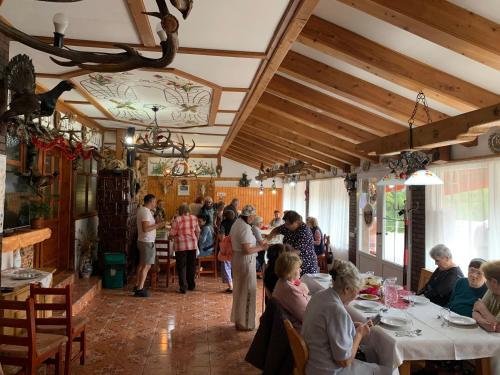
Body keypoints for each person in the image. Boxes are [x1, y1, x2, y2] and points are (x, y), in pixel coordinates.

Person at [302, 260, 391, 375]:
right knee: (389, 370)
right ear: (347, 289)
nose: (355, 296)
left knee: (371, 353)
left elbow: (328, 330)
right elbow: (344, 361)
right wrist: (359, 335)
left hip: (315, 363)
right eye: (356, 291)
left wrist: (350, 326)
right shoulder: (336, 310)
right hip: (328, 370)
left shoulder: (319, 295)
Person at [230, 204, 268, 331]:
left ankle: (239, 320)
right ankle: (245, 323)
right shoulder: (245, 228)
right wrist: (262, 247)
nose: (253, 218)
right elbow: (247, 249)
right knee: (247, 290)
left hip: (238, 259)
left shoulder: (237, 223)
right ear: (249, 216)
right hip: (245, 260)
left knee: (240, 290)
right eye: (253, 216)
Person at [268, 210, 318, 275]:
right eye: (285, 224)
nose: (286, 226)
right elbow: (276, 230)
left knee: (302, 283)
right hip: (292, 262)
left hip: (305, 263)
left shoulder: (305, 232)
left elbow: (296, 251)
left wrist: (280, 255)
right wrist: (267, 239)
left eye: (288, 224)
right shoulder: (288, 226)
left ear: (297, 222)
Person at [134, 194, 165, 297]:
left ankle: (137, 285)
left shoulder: (143, 210)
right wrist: (159, 225)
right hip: (146, 241)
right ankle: (140, 288)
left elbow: (147, 226)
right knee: (147, 265)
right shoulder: (145, 212)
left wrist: (156, 223)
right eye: (154, 202)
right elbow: (146, 228)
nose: (155, 204)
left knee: (142, 264)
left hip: (143, 240)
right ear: (151, 201)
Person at [272, 252, 310, 330]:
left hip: (292, 325)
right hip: (298, 330)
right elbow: (307, 317)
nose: (300, 270)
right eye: (297, 268)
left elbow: (298, 284)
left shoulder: (282, 280)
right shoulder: (290, 290)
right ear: (289, 272)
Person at [169, 203, 200, 294]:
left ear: (180, 211)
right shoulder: (194, 218)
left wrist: (170, 237)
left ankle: (183, 287)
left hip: (181, 245)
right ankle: (191, 285)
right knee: (191, 266)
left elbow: (172, 233)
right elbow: (198, 231)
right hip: (192, 244)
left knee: (182, 266)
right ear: (188, 210)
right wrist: (196, 240)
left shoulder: (177, 219)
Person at [473, 260, 500, 332]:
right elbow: (475, 312)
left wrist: (483, 309)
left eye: (486, 279)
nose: (485, 282)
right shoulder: (492, 290)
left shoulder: (492, 288)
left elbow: (497, 328)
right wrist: (483, 322)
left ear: (494, 282)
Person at [219, 209, 237, 293]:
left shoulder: (223, 223)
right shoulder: (237, 222)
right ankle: (236, 286)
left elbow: (222, 237)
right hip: (236, 246)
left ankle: (231, 286)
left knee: (226, 265)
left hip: (227, 245)